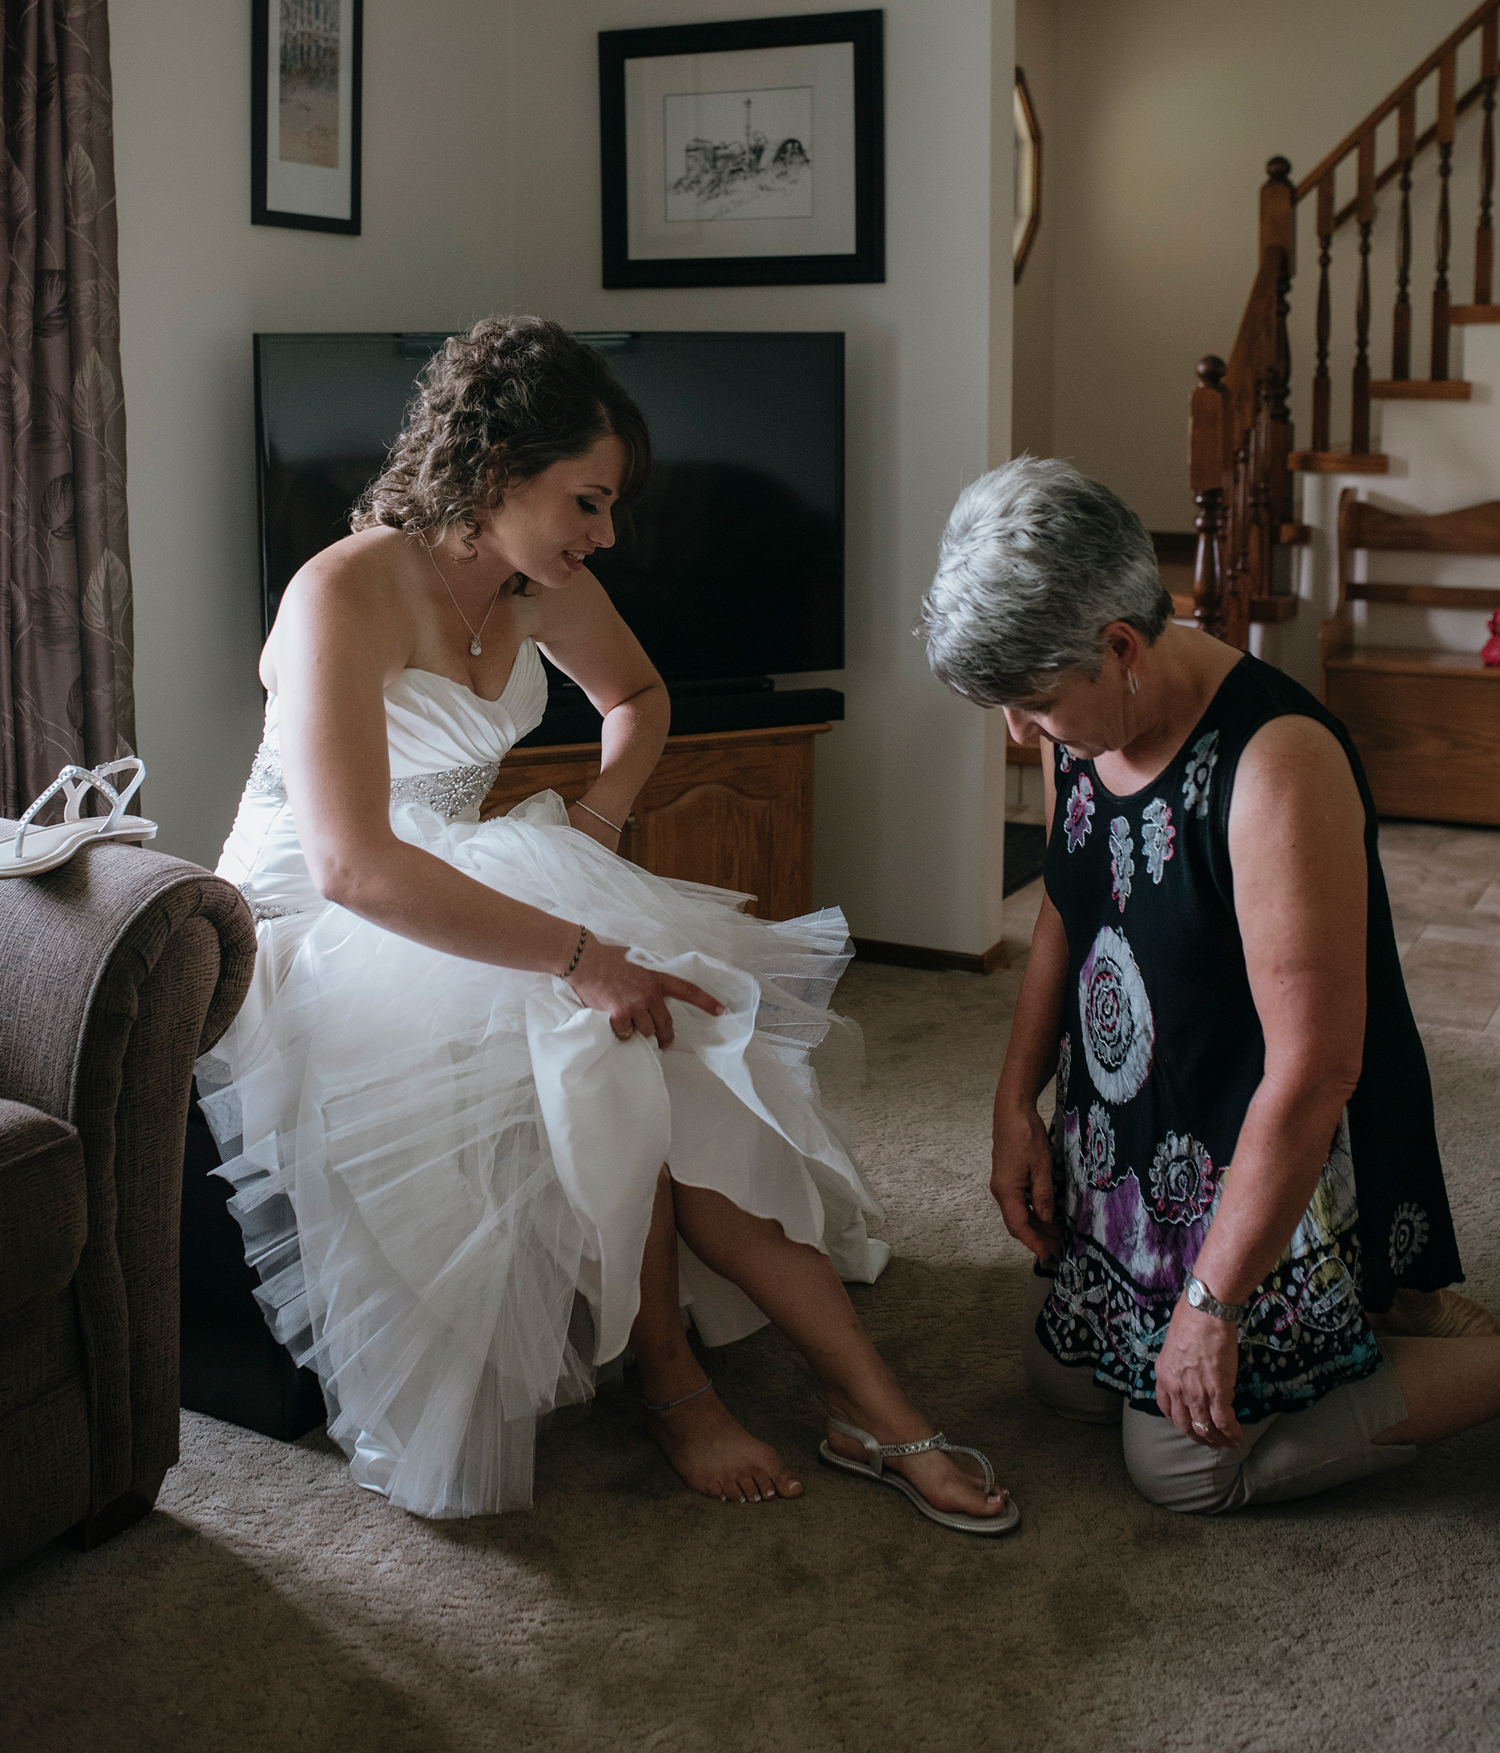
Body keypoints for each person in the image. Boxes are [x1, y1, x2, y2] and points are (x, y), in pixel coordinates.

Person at [203, 317, 1016, 1531]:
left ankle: (874, 1407)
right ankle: (677, 1384)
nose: (608, 535)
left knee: (681, 1031)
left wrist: (594, 826)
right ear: (493, 472)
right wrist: (581, 954)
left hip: (472, 873)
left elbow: (639, 696)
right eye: (587, 502)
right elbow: (353, 866)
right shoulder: (346, 591)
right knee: (607, 1035)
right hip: (313, 928)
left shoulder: (541, 588)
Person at [921, 455, 1500, 1514]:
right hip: (1138, 1132)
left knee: (1184, 1465)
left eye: (1036, 705)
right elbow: (1069, 899)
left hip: (1265, 1139)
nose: (1022, 736)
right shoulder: (1078, 726)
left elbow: (1318, 1068)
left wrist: (1212, 1306)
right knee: (1064, 1389)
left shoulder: (1277, 763)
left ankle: (1449, 1341)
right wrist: (1014, 1102)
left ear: (1123, 648)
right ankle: (1383, 1319)